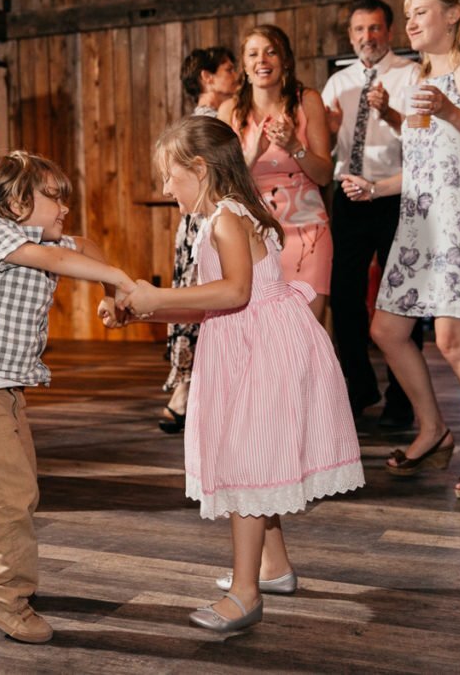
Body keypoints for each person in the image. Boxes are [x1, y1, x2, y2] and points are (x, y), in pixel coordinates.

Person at [119, 116, 364, 632]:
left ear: (201, 169)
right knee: (257, 454)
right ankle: (272, 566)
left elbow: (234, 294)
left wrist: (157, 296)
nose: (165, 188)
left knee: (248, 464)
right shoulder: (229, 214)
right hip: (256, 341)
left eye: (170, 175)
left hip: (261, 350)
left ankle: (246, 593)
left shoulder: (226, 218)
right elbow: (209, 304)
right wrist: (141, 309)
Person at [0, 152, 134, 644]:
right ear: (14, 202)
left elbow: (83, 245)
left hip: (0, 390)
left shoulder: (35, 236)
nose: (64, 208)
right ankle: (4, 597)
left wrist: (111, 286)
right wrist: (126, 283)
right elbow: (57, 258)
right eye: (53, 197)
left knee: (17, 483)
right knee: (15, 493)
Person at [342, 0, 460, 499]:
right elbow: (427, 166)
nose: (411, 22)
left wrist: (449, 110)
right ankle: (433, 429)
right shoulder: (421, 80)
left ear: (454, 14)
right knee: (387, 329)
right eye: (408, 15)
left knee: (452, 341)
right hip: (420, 226)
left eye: (420, 12)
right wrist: (375, 187)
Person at [322, 0, 422, 427]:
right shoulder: (336, 84)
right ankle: (360, 388)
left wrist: (390, 113)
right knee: (343, 295)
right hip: (348, 195)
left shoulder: (412, 75)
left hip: (395, 194)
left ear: (390, 32)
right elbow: (325, 149)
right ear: (350, 36)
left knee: (400, 298)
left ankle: (403, 401)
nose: (368, 37)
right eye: (360, 30)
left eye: (376, 28)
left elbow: (424, 141)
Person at [219, 24, 334, 321]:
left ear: (285, 60)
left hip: (307, 227)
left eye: (271, 52)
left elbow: (323, 175)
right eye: (253, 54)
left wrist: (295, 145)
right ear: (244, 65)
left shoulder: (307, 100)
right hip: (253, 229)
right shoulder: (229, 110)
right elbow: (220, 184)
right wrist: (252, 153)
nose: (262, 60)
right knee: (264, 329)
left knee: (309, 329)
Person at [159, 46, 237, 434]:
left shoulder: (201, 119)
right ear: (207, 78)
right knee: (198, 299)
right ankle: (187, 390)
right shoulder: (214, 121)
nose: (236, 74)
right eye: (227, 68)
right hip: (202, 222)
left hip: (197, 222)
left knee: (196, 299)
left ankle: (186, 388)